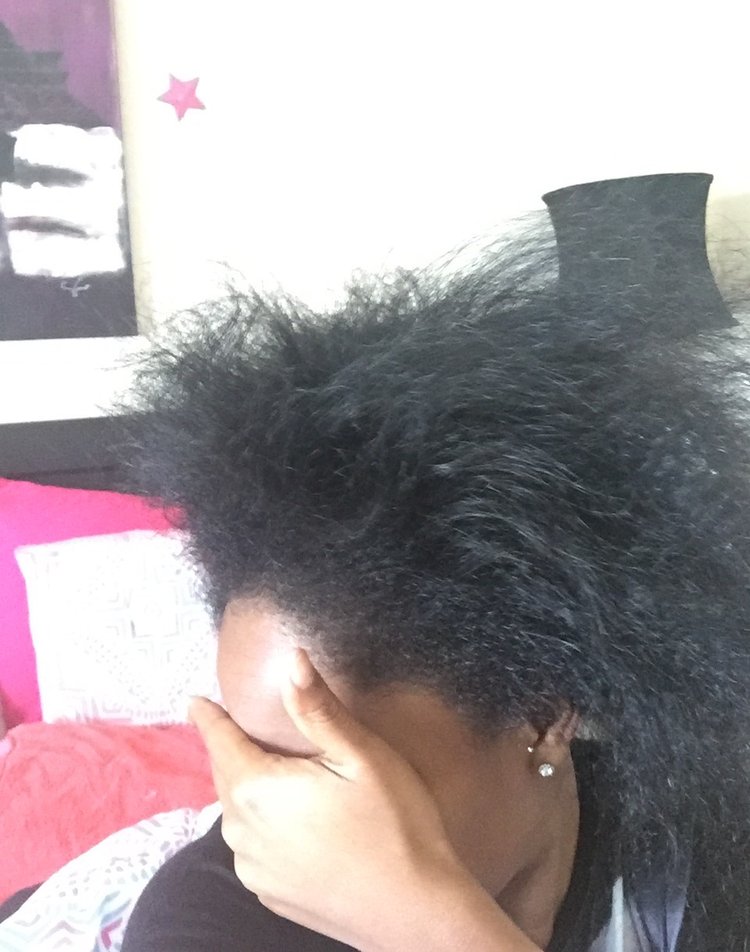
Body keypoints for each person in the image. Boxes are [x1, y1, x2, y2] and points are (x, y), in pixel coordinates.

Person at [120, 234, 750, 951]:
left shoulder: (706, 837)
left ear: (543, 715)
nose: (265, 825)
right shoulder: (210, 920)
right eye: (252, 757)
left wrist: (429, 927)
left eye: (342, 774)